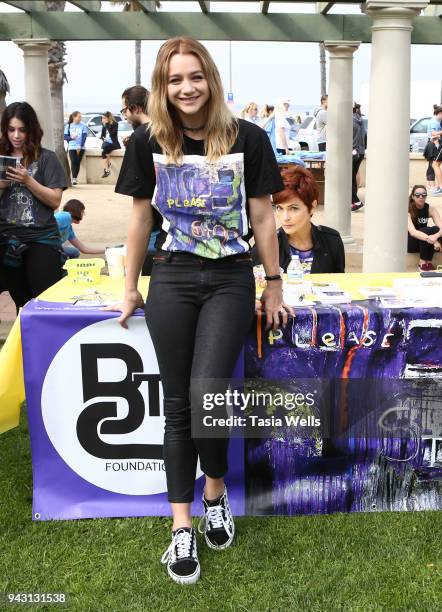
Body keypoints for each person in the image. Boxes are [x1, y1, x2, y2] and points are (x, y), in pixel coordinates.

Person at [112, 36, 290, 585]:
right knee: (177, 403)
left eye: (196, 76)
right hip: (173, 274)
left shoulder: (249, 138)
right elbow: (142, 219)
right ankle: (180, 527)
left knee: (206, 389)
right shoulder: (147, 142)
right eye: (175, 79)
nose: (187, 88)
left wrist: (273, 283)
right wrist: (130, 286)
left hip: (230, 277)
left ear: (210, 79)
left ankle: (215, 492)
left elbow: (262, 219)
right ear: (163, 87)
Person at [0, 102, 66, 311]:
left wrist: (29, 180)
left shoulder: (46, 158)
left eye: (22, 130)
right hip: (7, 241)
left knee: (44, 304)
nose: (16, 136)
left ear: (32, 130)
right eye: (11, 130)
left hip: (41, 239)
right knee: (24, 305)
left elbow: (55, 201)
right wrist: (2, 186)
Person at [252, 165, 345, 273]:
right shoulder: (265, 246)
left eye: (294, 208)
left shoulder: (332, 241)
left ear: (312, 207)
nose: (285, 217)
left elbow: (339, 285)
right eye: (279, 208)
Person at [117, 85, 161, 273]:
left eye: (124, 110)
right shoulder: (165, 130)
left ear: (135, 108)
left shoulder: (141, 136)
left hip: (154, 221)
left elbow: (139, 194)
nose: (125, 116)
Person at [407, 184, 441, 272]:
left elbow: (441, 228)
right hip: (409, 242)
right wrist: (432, 240)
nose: (421, 197)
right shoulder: (407, 210)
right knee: (426, 230)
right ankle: (422, 263)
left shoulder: (430, 208)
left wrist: (436, 237)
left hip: (425, 241)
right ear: (413, 197)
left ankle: (428, 262)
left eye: (423, 195)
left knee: (435, 229)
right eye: (418, 195)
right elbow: (413, 232)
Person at [64, 111, 88, 185]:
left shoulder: (83, 126)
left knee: (77, 162)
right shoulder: (69, 126)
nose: (80, 118)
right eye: (79, 117)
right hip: (71, 147)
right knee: (74, 161)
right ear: (74, 117)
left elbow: (84, 137)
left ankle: (74, 178)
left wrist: (80, 146)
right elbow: (65, 137)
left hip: (80, 147)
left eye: (81, 117)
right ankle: (74, 178)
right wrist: (71, 138)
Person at [351, 103, 365, 212]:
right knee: (352, 176)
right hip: (360, 152)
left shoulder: (350, 120)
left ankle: (356, 201)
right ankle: (353, 201)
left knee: (349, 178)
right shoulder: (359, 118)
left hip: (353, 152)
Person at [100, 111, 121, 178]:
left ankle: (107, 169)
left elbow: (112, 133)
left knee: (104, 152)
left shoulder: (114, 124)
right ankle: (108, 166)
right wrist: (103, 139)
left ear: (108, 118)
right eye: (102, 118)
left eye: (104, 118)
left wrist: (107, 125)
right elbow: (102, 136)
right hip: (107, 143)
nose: (102, 119)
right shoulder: (104, 125)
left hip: (113, 143)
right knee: (105, 151)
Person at [427, 105, 442, 195]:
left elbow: (435, 134)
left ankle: (439, 186)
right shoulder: (435, 122)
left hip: (438, 144)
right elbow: (433, 134)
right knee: (434, 165)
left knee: (435, 164)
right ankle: (435, 186)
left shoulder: (437, 122)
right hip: (435, 144)